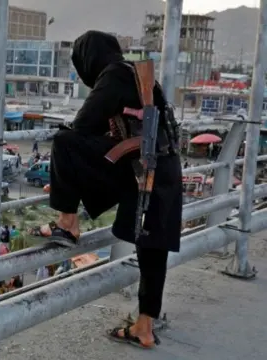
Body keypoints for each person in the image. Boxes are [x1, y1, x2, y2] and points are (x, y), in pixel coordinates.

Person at [46, 31, 181, 349]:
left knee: (64, 142)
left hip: (142, 168)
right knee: (152, 250)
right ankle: (144, 327)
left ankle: (67, 222)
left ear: (88, 59)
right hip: (165, 168)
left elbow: (82, 126)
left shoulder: (115, 74)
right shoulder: (138, 74)